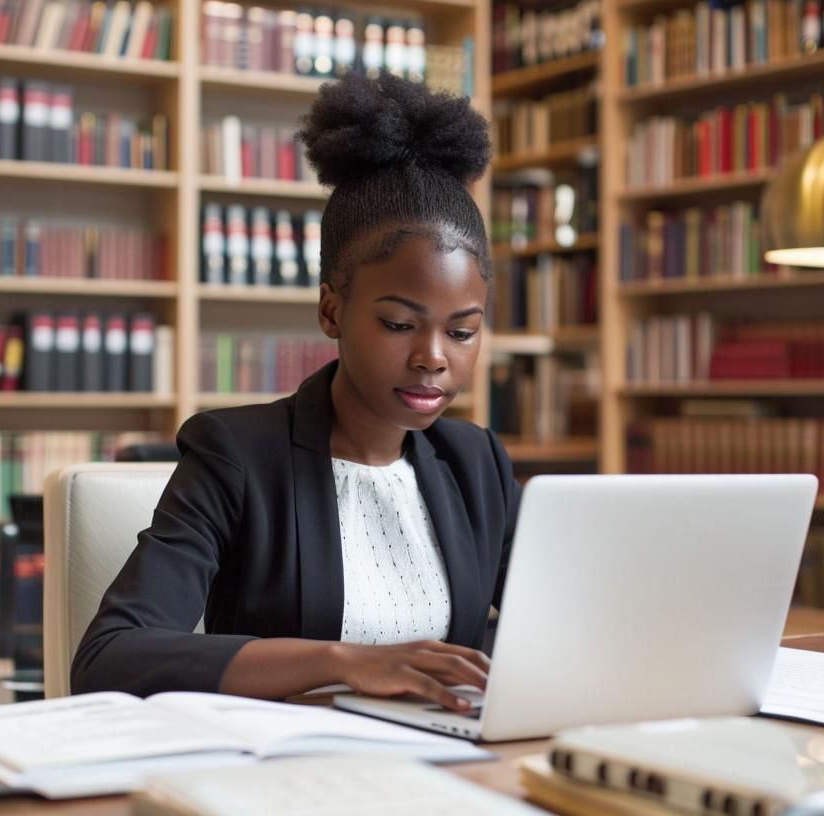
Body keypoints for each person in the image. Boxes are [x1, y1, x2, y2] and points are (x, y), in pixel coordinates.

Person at [71, 72, 519, 712]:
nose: (433, 358)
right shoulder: (236, 455)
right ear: (332, 312)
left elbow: (567, 631)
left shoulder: (478, 463)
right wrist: (343, 663)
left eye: (463, 331)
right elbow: (109, 656)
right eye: (398, 324)